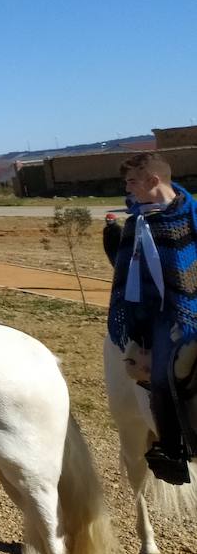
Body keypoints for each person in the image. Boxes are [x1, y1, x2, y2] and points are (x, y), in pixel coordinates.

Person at [107, 152, 197, 485]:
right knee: (162, 373)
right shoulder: (137, 223)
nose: (128, 188)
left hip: (193, 310)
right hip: (157, 317)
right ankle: (173, 448)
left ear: (153, 181)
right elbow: (128, 276)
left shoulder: (191, 215)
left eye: (132, 181)